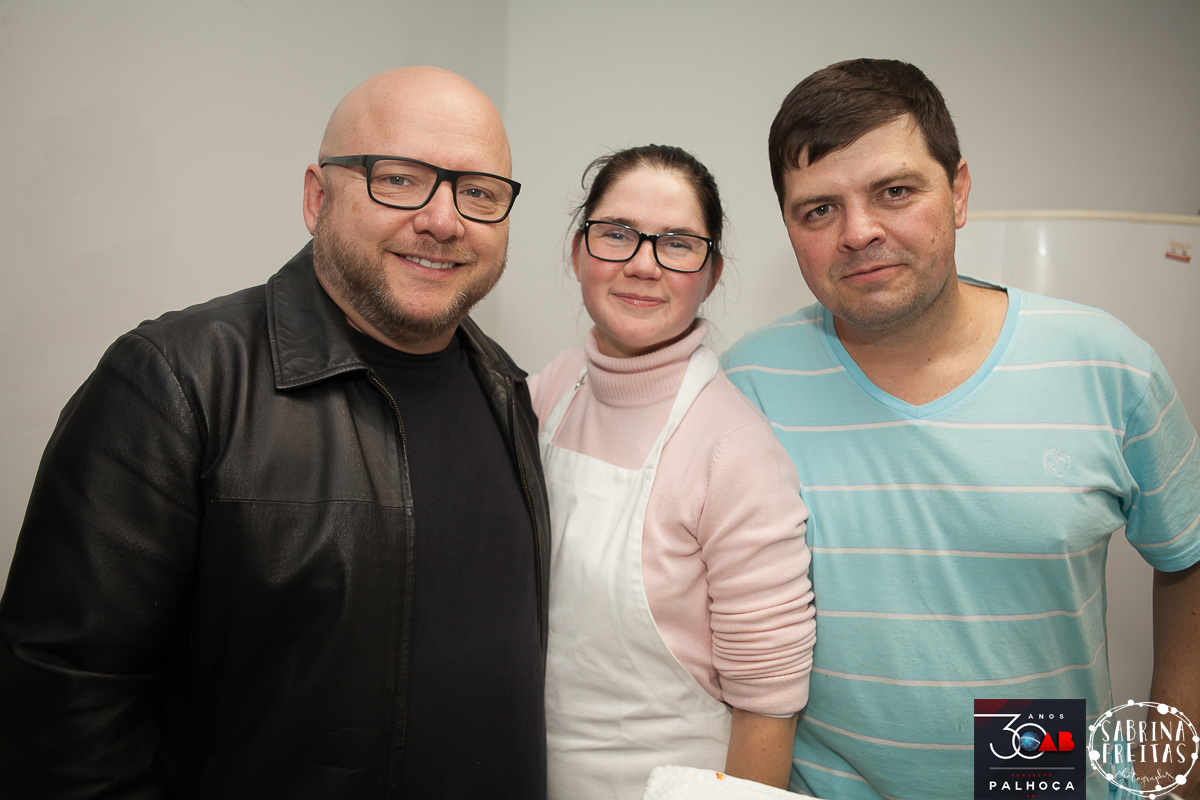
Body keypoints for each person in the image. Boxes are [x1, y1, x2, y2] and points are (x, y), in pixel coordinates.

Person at [0, 66, 551, 798]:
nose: (444, 220)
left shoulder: (509, 388)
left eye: (478, 192)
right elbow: (62, 717)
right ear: (317, 197)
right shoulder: (176, 384)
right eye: (400, 178)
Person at [722, 58, 1200, 800]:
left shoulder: (1109, 366)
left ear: (960, 191)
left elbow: (1188, 559)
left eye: (895, 192)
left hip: (1043, 782)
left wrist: (1174, 777)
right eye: (818, 210)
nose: (858, 232)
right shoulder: (746, 386)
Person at [529, 144, 816, 798]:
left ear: (711, 274)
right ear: (579, 252)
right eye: (617, 234)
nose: (641, 264)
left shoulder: (735, 449)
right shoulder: (549, 393)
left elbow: (767, 709)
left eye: (678, 244)